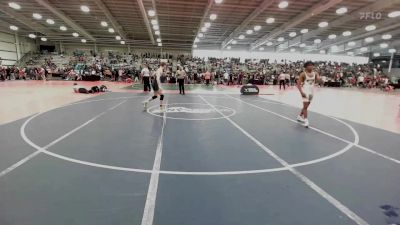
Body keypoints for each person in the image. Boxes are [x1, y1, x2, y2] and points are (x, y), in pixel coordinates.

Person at [296, 61, 320, 128]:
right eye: (309, 65)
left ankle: (299, 116)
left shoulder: (315, 73)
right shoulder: (303, 74)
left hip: (311, 92)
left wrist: (320, 80)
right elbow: (298, 84)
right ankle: (306, 120)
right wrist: (301, 92)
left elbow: (318, 80)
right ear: (306, 67)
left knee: (306, 106)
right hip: (305, 92)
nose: (311, 66)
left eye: (312, 65)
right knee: (305, 107)